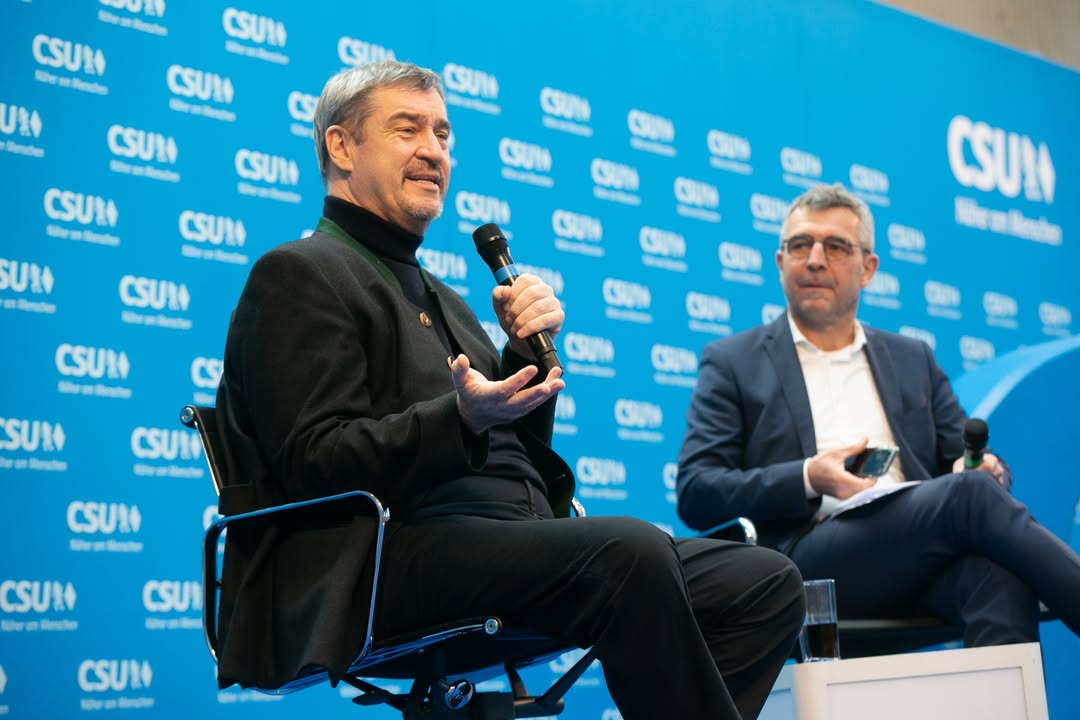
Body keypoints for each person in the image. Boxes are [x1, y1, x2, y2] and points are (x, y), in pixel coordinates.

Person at [212, 59, 805, 720]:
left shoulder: (446, 297)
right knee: (629, 553)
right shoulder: (298, 273)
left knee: (764, 581)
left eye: (443, 135)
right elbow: (314, 462)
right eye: (408, 129)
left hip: (500, 541)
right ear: (341, 146)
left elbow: (507, 452)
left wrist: (522, 360)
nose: (433, 151)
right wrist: (460, 419)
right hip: (379, 561)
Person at [677, 182, 1080, 648]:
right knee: (969, 497)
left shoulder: (912, 358)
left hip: (917, 552)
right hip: (808, 559)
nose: (815, 259)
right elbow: (697, 490)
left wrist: (985, 467)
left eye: (835, 247)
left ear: (868, 269)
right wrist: (809, 477)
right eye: (800, 245)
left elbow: (968, 461)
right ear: (780, 262)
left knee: (996, 576)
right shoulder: (734, 361)